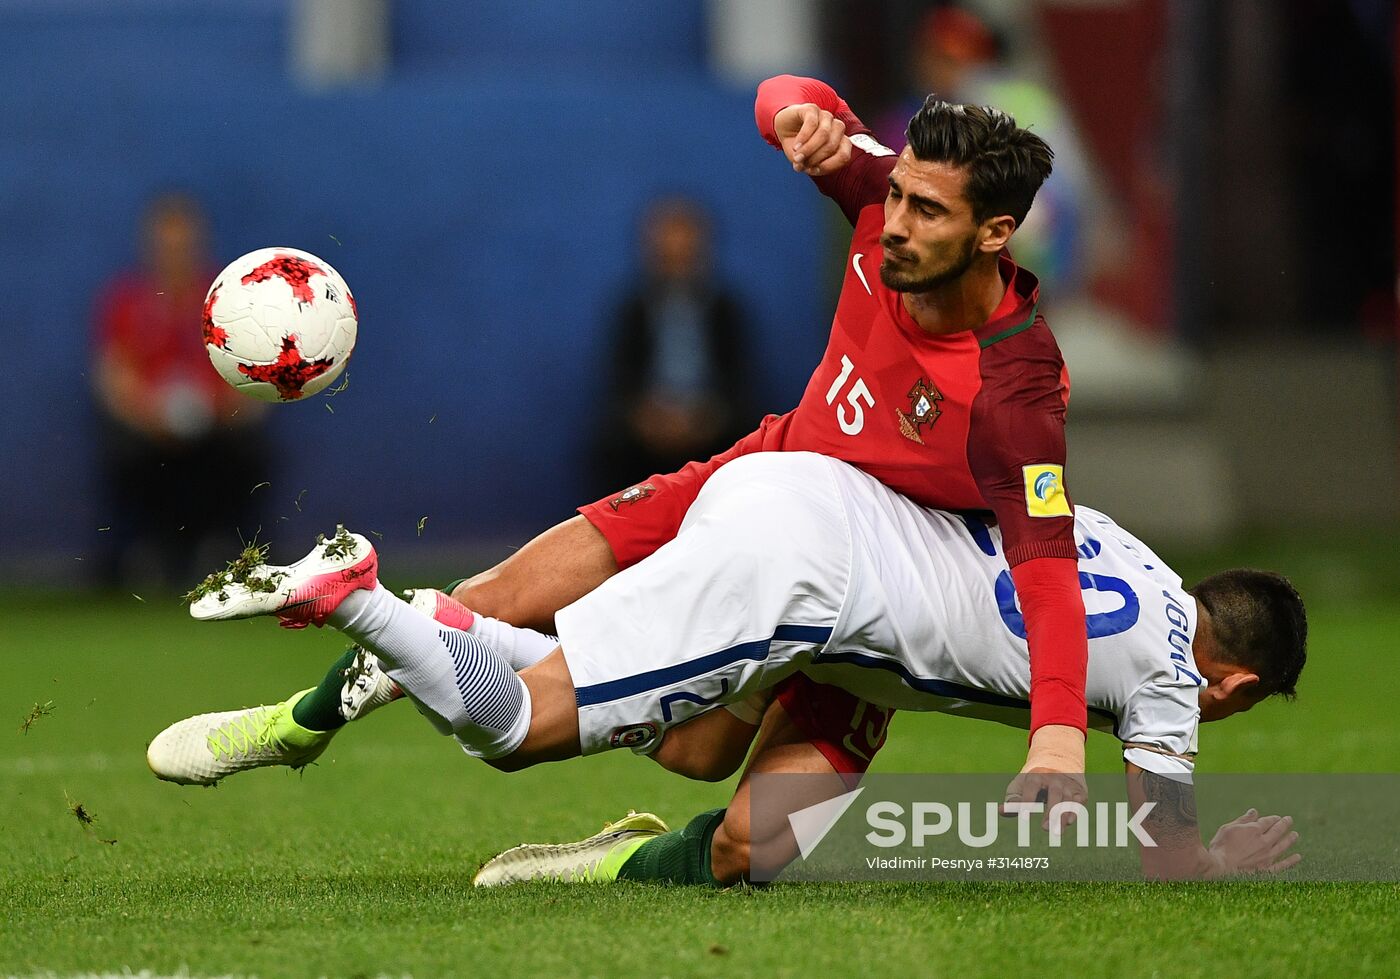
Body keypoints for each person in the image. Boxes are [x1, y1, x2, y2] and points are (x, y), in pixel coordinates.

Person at [154, 73, 1095, 810]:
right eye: (896, 197)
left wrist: (1056, 732)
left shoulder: (1015, 392)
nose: (893, 221)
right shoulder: (880, 195)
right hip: (754, 480)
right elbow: (783, 98)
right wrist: (798, 115)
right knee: (496, 596)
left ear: (995, 234)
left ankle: (626, 835)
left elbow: (1044, 563)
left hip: (866, 589)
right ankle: (298, 721)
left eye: (926, 213)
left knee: (713, 779)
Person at [148, 451, 1307, 883]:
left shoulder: (1123, 541)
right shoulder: (1169, 680)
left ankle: (606, 859)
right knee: (513, 712)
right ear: (1234, 683)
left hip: (844, 604)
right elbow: (1166, 855)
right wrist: (1224, 861)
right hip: (807, 569)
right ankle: (356, 627)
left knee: (738, 814)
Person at [92, 192, 268, 588]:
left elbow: (255, 374)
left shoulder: (228, 298)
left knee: (247, 451)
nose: (174, 252)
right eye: (166, 244)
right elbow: (113, 375)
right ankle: (146, 552)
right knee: (126, 454)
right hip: (148, 427)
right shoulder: (126, 299)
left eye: (183, 243)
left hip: (218, 427)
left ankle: (227, 547)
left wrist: (219, 409)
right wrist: (149, 412)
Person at [591, 196, 755, 495]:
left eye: (686, 240)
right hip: (649, 423)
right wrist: (647, 417)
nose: (677, 249)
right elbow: (621, 376)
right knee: (608, 443)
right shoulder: (634, 309)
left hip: (710, 420)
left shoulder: (725, 309)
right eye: (668, 241)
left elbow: (739, 375)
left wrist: (707, 416)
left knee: (750, 438)